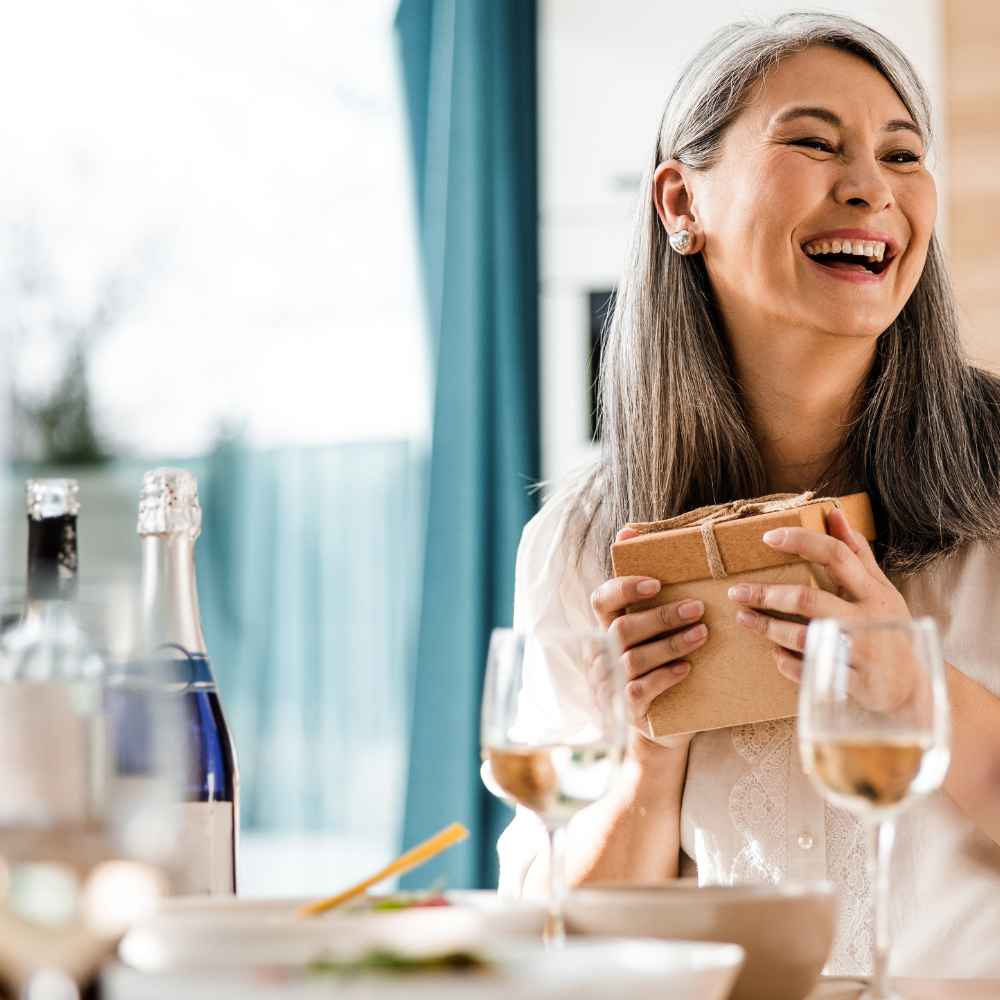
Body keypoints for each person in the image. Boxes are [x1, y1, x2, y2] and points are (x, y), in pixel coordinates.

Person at [497, 11, 1000, 978]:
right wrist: (650, 752)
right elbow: (566, 947)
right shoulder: (579, 545)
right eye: (814, 142)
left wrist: (915, 690)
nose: (869, 187)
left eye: (903, 154)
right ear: (681, 202)